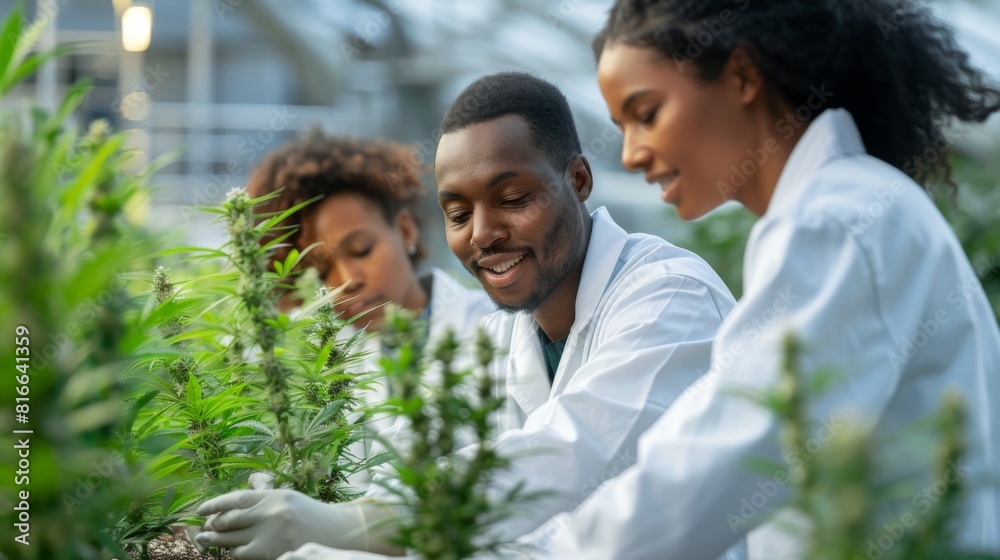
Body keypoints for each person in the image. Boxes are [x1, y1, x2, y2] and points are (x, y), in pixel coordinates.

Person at [499, 1, 1000, 559]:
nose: (633, 153)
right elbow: (705, 436)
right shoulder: (839, 207)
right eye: (620, 126)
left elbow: (716, 466)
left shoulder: (833, 221)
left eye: (647, 113)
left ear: (741, 76)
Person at [195, 72, 744, 560]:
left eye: (512, 198)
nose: (481, 233)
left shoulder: (669, 295)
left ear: (578, 180)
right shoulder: (504, 332)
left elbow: (574, 452)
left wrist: (358, 524)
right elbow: (442, 476)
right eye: (458, 213)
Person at [247, 132, 497, 477]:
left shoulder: (495, 326)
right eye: (321, 272)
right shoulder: (325, 374)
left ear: (406, 231)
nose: (347, 280)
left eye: (362, 249)